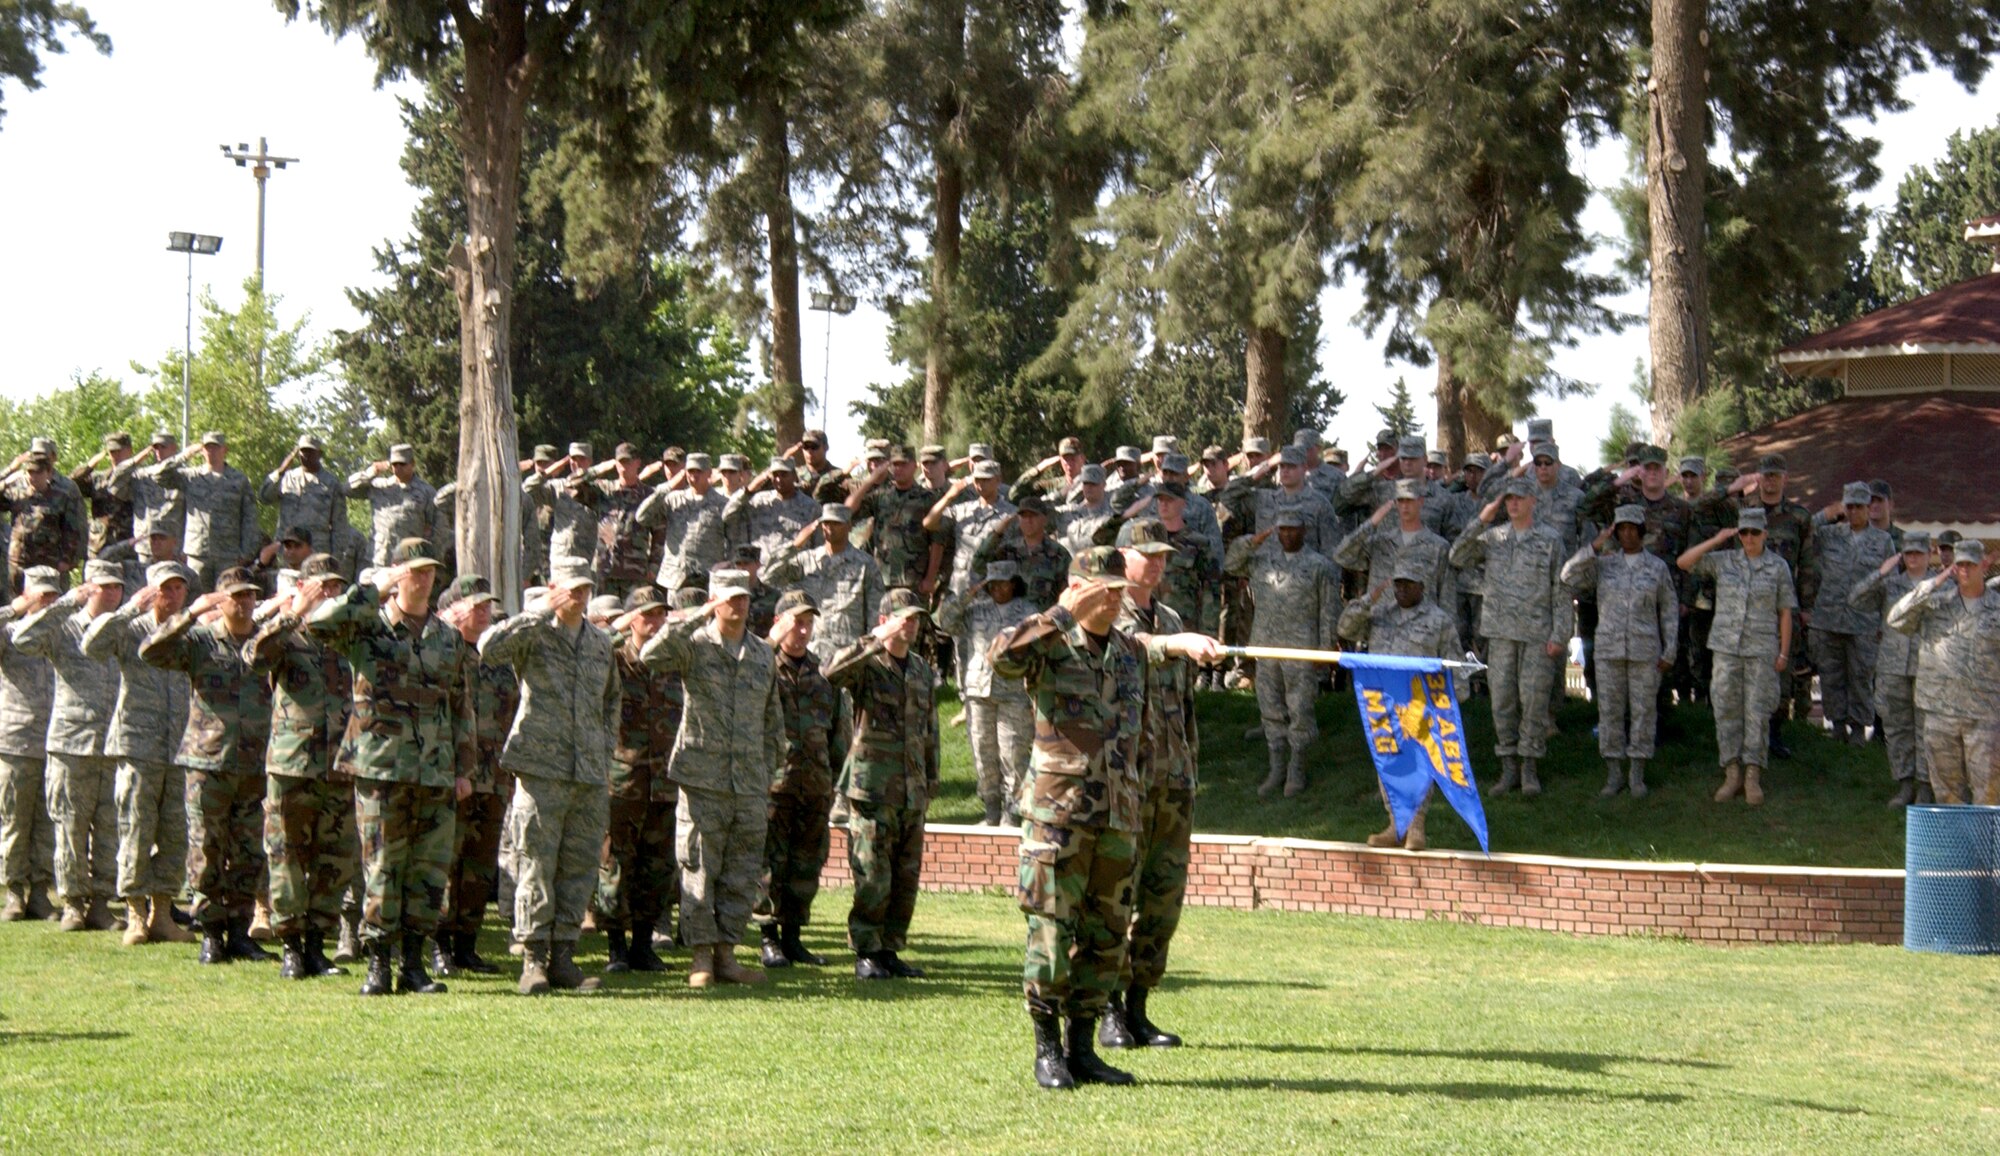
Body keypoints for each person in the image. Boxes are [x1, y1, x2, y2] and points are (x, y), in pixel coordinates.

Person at [991, 545, 1214, 1090]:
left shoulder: (1127, 651)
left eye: (1120, 591)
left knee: (1106, 935)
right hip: (1059, 816)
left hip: (1118, 816)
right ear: (1078, 589)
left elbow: (1157, 649)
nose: (1117, 600)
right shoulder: (1050, 644)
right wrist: (1062, 612)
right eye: (1105, 591)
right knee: (1050, 928)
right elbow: (1002, 658)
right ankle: (1046, 1048)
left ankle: (1083, 1048)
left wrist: (1185, 642)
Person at [307, 538, 474, 996]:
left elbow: (460, 707)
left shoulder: (447, 637)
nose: (423, 580)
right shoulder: (368, 628)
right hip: (381, 768)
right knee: (382, 868)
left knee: (428, 872)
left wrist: (464, 767)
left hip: (435, 771)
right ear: (398, 574)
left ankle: (414, 966)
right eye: (414, 571)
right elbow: (320, 623)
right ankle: (378, 964)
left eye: (430, 572)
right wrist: (371, 591)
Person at [479, 561, 620, 995]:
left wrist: (603, 751)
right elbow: (488, 646)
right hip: (542, 770)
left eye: (585, 589)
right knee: (536, 865)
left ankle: (563, 957)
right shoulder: (535, 632)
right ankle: (533, 959)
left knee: (577, 868)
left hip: (588, 773)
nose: (578, 597)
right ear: (555, 589)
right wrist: (540, 610)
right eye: (570, 589)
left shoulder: (600, 643)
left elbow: (611, 702)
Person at [640, 568, 784, 989]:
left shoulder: (761, 653)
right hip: (703, 779)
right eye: (730, 597)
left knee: (741, 872)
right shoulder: (695, 645)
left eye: (744, 597)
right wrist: (690, 618)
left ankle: (727, 955)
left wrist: (769, 770)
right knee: (700, 866)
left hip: (750, 782)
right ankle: (700, 956)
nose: (738, 604)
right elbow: (651, 654)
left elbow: (772, 720)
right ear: (714, 601)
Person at [1101, 524, 1213, 1052]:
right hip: (1129, 781)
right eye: (1148, 554)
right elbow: (1130, 648)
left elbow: (1183, 706)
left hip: (1172, 778)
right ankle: (1107, 1009)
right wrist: (1175, 644)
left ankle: (1140, 1008)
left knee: (1162, 900)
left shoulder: (1168, 618)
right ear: (1123, 556)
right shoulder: (1106, 614)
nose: (1158, 563)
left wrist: (1189, 764)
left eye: (1163, 554)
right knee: (1116, 896)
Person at [139, 565, 275, 961]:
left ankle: (240, 930)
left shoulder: (264, 643)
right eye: (236, 596)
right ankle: (211, 933)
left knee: (249, 852)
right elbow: (151, 651)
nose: (244, 602)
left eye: (250, 595)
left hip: (253, 765)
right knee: (207, 851)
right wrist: (193, 614)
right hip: (208, 763)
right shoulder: (200, 640)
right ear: (221, 599)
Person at [243, 555, 357, 977]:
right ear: (304, 589)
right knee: (286, 856)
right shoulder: (286, 637)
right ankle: (290, 944)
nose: (330, 594)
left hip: (340, 766)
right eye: (322, 586)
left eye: (335, 587)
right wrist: (291, 613)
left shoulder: (346, 639)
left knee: (336, 859)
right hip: (293, 764)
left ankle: (316, 947)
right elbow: (253, 657)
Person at [823, 589, 939, 980]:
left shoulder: (922, 669)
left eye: (916, 619)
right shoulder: (869, 665)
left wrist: (931, 778)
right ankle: (866, 951)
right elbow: (832, 672)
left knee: (905, 877)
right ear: (885, 618)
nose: (911, 625)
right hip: (871, 787)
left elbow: (930, 728)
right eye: (904, 618)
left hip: (911, 788)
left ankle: (890, 949)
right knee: (872, 873)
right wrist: (875, 639)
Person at [81, 559, 195, 948]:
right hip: (137, 744)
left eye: (179, 587)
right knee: (135, 828)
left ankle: (162, 914)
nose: (173, 594)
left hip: (179, 747)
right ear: (151, 590)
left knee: (175, 833)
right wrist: (130, 607)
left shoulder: (188, 631)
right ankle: (134, 913)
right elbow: (91, 645)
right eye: (166, 587)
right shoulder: (131, 629)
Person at [14, 559, 126, 931]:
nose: (110, 593)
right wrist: (65, 602)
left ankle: (100, 904)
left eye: (116, 587)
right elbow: (22, 639)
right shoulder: (64, 628)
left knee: (109, 830)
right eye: (103, 586)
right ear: (88, 587)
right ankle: (73, 903)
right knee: (70, 828)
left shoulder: (121, 629)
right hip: (70, 742)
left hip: (112, 744)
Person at [1450, 477, 1569, 797]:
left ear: (1533, 500)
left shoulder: (1550, 540)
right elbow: (1457, 557)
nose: (1513, 504)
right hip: (1500, 633)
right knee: (1502, 702)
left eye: (1519, 498)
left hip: (1536, 635)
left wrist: (1560, 634)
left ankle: (1529, 768)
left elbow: (1561, 590)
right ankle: (1508, 769)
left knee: (1533, 702)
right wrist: (1482, 519)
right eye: (1508, 499)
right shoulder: (1493, 539)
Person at [1338, 560, 1464, 849]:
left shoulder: (1438, 620)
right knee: (1389, 761)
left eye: (1408, 584)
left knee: (1419, 763)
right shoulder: (1380, 614)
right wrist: (1369, 599)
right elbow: (1345, 628)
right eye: (1397, 584)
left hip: (1420, 702)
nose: (1401, 589)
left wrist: (1452, 701)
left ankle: (1416, 826)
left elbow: (1453, 661)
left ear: (1423, 586)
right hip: (1382, 700)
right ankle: (1396, 825)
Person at [1677, 507, 1795, 806]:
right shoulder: (1723, 561)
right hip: (1727, 648)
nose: (1749, 538)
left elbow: (1785, 612)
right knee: (1726, 709)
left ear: (1765, 534)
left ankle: (1753, 775)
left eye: (1755, 532)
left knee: (1757, 712)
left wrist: (1783, 651)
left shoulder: (1778, 567)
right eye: (1744, 532)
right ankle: (1732, 773)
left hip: (1761, 648)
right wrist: (1717, 539)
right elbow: (1684, 563)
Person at [1561, 506, 1678, 798]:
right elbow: (1567, 575)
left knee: (1643, 712)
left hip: (1645, 651)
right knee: (1610, 712)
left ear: (1641, 531)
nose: (1627, 534)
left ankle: (1637, 774)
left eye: (1632, 528)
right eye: (1621, 528)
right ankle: (1614, 774)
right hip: (1609, 651)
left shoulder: (1656, 568)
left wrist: (1671, 649)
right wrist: (1595, 545)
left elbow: (1669, 611)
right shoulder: (1604, 565)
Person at [434, 574, 515, 976]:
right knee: (446, 862)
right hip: (454, 775)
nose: (484, 612)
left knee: (480, 866)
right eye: (476, 605)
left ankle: (467, 945)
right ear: (454, 609)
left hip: (494, 777)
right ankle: (438, 946)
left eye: (488, 606)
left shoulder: (496, 657)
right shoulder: (442, 652)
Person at [1225, 512, 1341, 796]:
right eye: (1282, 530)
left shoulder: (1319, 566)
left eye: (1293, 530)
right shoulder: (1263, 560)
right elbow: (1231, 563)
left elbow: (1329, 612)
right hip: (1266, 645)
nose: (1287, 535)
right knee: (1270, 708)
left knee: (1300, 709)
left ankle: (1296, 768)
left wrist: (1325, 652)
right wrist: (1255, 540)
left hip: (1301, 648)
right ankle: (1276, 766)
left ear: (1304, 530)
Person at [595, 583, 678, 975]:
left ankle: (644, 945)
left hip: (664, 782)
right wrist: (620, 627)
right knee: (615, 865)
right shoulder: (612, 658)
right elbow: (593, 645)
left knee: (656, 868)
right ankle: (616, 947)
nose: (655, 621)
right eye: (647, 614)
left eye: (661, 614)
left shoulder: (672, 661)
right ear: (630, 620)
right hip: (622, 780)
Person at [752, 590, 836, 969]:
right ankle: (768, 938)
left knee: (805, 864)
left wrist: (832, 776)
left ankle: (794, 938)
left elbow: (837, 730)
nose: (803, 630)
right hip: (776, 783)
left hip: (815, 782)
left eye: (808, 623)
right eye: (796, 622)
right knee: (771, 865)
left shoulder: (821, 673)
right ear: (779, 623)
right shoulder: (763, 665)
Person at [1886, 539, 2000, 805]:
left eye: (1971, 565)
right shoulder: (1935, 604)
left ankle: (1986, 845)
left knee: (1990, 790)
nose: (1965, 571)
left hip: (1984, 713)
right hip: (1940, 711)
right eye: (1960, 565)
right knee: (1947, 791)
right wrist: (1933, 583)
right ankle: (1954, 845)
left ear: (1983, 565)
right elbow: (1896, 619)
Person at [937, 562, 1036, 825]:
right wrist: (970, 592)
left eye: (1003, 582)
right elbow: (944, 622)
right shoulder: (975, 610)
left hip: (1014, 692)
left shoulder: (1028, 611)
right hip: (978, 691)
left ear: (1014, 583)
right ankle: (991, 808)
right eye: (992, 583)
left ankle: (1013, 812)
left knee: (1013, 753)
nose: (997, 588)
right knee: (983, 752)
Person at [1808, 482, 1896, 745]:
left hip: (1865, 622)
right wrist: (1825, 514)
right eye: (1850, 506)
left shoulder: (1883, 541)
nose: (1855, 511)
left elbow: (1889, 585)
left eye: (1860, 506)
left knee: (1860, 677)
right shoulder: (1829, 535)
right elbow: (1801, 528)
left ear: (1869, 509)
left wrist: (1885, 622)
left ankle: (1858, 729)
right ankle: (1836, 726)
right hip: (1829, 618)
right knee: (1831, 676)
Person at [1851, 534, 1935, 806]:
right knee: (1898, 729)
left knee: (1927, 730)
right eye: (1908, 553)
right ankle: (1905, 785)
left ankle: (1925, 788)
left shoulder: (1941, 585)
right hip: (1893, 667)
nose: (1913, 558)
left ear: (1928, 554)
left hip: (1929, 668)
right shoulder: (1890, 585)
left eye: (1918, 553)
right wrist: (1881, 572)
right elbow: (1855, 599)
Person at [0, 567, 60, 921]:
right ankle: (14, 893)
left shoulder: (61, 633)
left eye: (53, 596)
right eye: (42, 596)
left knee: (46, 823)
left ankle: (41, 893)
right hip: (17, 739)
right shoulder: (9, 632)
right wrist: (15, 610)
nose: (48, 603)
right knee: (14, 821)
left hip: (55, 740)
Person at [158, 432, 260, 593]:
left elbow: (250, 517)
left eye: (215, 447)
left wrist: (247, 551)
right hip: (197, 552)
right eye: (207, 448)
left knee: (227, 596)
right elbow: (160, 475)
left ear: (224, 450)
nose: (210, 452)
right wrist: (185, 455)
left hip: (228, 552)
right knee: (196, 597)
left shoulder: (238, 479)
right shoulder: (191, 476)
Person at [639, 451, 732, 593]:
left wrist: (725, 567)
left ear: (708, 473)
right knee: (675, 615)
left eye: (698, 471)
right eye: (690, 471)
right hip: (675, 578)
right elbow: (642, 517)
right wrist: (668, 487)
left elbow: (734, 540)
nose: (693, 476)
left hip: (707, 578)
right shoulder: (673, 499)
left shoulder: (722, 504)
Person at [1, 448, 87, 592]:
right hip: (19, 562)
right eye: (29, 472)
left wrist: (68, 560)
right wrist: (7, 478)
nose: (32, 476)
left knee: (51, 606)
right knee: (19, 605)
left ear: (48, 472)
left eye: (37, 472)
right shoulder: (16, 492)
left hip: (50, 564)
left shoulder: (62, 495)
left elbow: (74, 529)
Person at [349, 444, 443, 568]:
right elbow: (347, 489)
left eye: (402, 464)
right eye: (394, 464)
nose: (398, 468)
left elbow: (436, 527)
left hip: (408, 561)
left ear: (412, 464)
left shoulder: (426, 492)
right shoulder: (379, 486)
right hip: (377, 560)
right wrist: (371, 472)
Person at [523, 441, 605, 576]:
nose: (577, 463)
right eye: (573, 459)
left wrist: (594, 472)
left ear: (590, 461)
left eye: (582, 459)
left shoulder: (600, 488)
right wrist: (547, 472)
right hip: (561, 557)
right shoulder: (558, 487)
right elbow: (527, 491)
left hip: (587, 559)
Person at [260, 434, 354, 552]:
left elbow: (339, 524)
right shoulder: (286, 478)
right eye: (303, 451)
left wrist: (336, 556)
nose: (306, 455)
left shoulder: (331, 483)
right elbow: (264, 497)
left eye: (310, 451)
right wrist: (280, 471)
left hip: (316, 550)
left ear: (319, 454)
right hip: (287, 548)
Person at [69, 431, 137, 560]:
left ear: (129, 451)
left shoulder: (141, 478)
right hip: (100, 547)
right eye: (111, 452)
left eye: (118, 451)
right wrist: (88, 467)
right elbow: (70, 485)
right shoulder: (98, 479)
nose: (115, 456)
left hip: (129, 547)